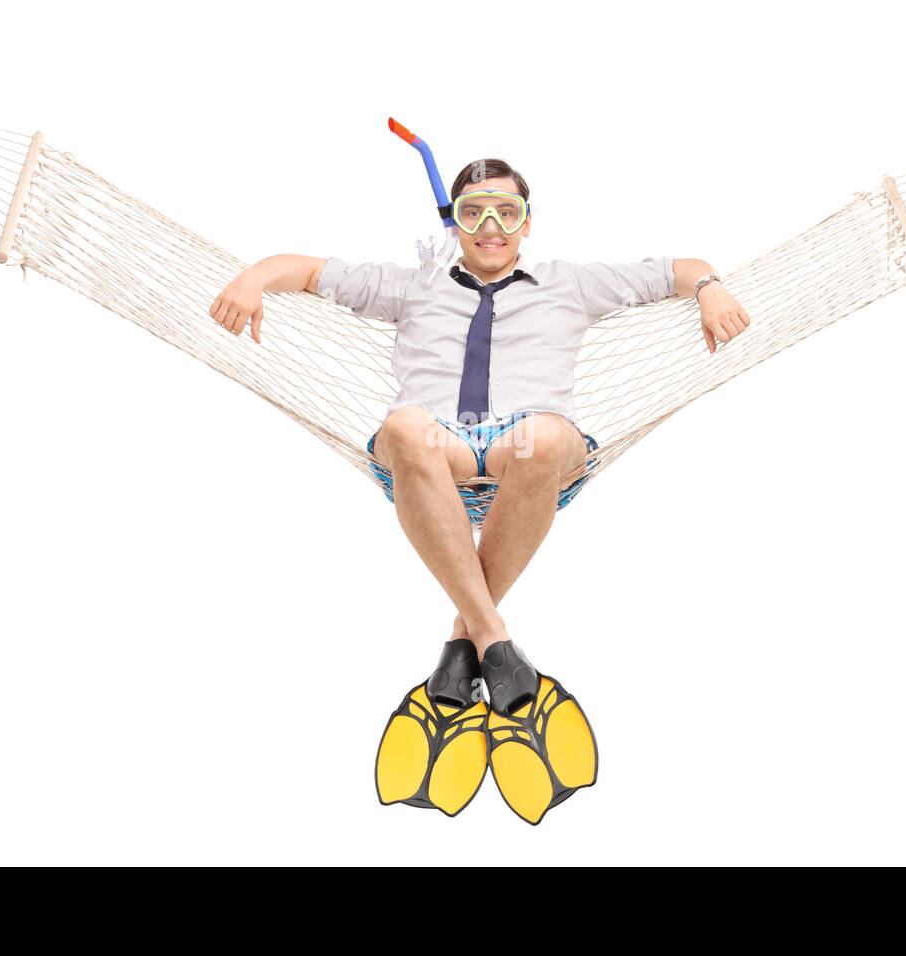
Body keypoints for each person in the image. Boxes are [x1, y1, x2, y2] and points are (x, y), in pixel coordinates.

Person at [209, 159, 750, 824]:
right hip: (437, 447)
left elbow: (678, 268)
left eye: (505, 212)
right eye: (473, 213)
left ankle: (465, 648)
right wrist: (251, 277)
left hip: (534, 449)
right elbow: (308, 269)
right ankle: (494, 645)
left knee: (548, 436)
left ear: (527, 223)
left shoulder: (571, 284)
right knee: (404, 427)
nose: (489, 226)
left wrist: (712, 289)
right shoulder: (412, 286)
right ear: (455, 222)